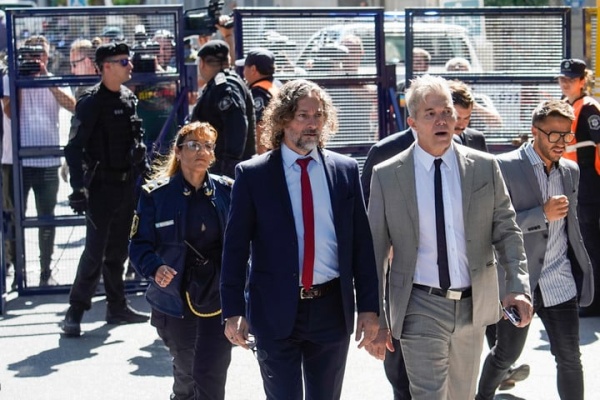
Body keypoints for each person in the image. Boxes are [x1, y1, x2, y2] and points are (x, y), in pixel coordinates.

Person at [366, 74, 532, 400]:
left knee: (462, 395)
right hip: (419, 305)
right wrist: (376, 317)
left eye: (446, 112)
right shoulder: (387, 175)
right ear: (412, 122)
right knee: (429, 394)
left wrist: (517, 285)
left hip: (473, 304)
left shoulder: (484, 167)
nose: (441, 120)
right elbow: (375, 251)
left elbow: (507, 231)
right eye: (430, 114)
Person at [220, 79, 380, 399]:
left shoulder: (345, 170)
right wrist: (233, 310)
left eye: (318, 115)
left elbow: (362, 245)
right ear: (283, 119)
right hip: (274, 310)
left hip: (331, 309)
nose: (312, 124)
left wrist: (369, 307)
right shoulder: (253, 175)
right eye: (303, 115)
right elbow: (235, 250)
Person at [476, 99, 594, 400]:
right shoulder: (504, 166)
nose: (562, 142)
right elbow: (491, 226)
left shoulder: (570, 170)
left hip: (559, 278)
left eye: (567, 134)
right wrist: (541, 214)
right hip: (518, 281)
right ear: (535, 131)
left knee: (570, 357)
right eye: (554, 134)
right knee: (505, 354)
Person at [129, 121, 233, 400]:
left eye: (208, 146)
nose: (202, 151)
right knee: (188, 369)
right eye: (194, 145)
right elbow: (138, 245)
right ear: (177, 151)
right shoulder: (155, 195)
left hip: (218, 297)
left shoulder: (228, 191)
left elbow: (244, 244)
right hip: (175, 300)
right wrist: (155, 267)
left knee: (213, 372)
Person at [61, 42, 149, 337]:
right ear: (106, 67)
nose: (130, 66)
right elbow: (73, 148)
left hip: (126, 186)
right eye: (124, 62)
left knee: (118, 250)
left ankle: (117, 307)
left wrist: (144, 168)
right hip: (100, 188)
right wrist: (77, 189)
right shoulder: (90, 102)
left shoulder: (128, 98)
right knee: (94, 252)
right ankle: (75, 311)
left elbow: (136, 140)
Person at [4, 35, 75, 286]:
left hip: (48, 161)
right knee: (16, 218)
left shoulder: (54, 79)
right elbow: (10, 112)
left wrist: (46, 79)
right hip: (19, 161)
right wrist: (22, 82)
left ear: (47, 56)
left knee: (47, 218)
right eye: (31, 55)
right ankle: (19, 272)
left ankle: (46, 270)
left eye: (40, 54)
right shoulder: (12, 79)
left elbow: (73, 106)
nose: (36, 59)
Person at [558, 58, 600, 317]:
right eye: (562, 78)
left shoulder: (589, 109)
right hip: (571, 182)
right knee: (577, 241)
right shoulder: (565, 106)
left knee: (589, 242)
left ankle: (593, 300)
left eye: (571, 79)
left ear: (583, 81)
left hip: (588, 184)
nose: (565, 83)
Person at [190, 40, 255, 178]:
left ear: (202, 63)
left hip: (225, 170)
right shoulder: (220, 84)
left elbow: (236, 123)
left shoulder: (225, 87)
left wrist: (229, 164)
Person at [235, 48, 281, 155]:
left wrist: (260, 158)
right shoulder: (277, 85)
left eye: (245, 68)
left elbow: (260, 127)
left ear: (253, 69)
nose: (243, 72)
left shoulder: (258, 93)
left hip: (268, 153)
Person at [447, 79, 488, 152]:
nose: (461, 125)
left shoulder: (477, 139)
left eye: (466, 118)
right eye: (457, 118)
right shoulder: (429, 140)